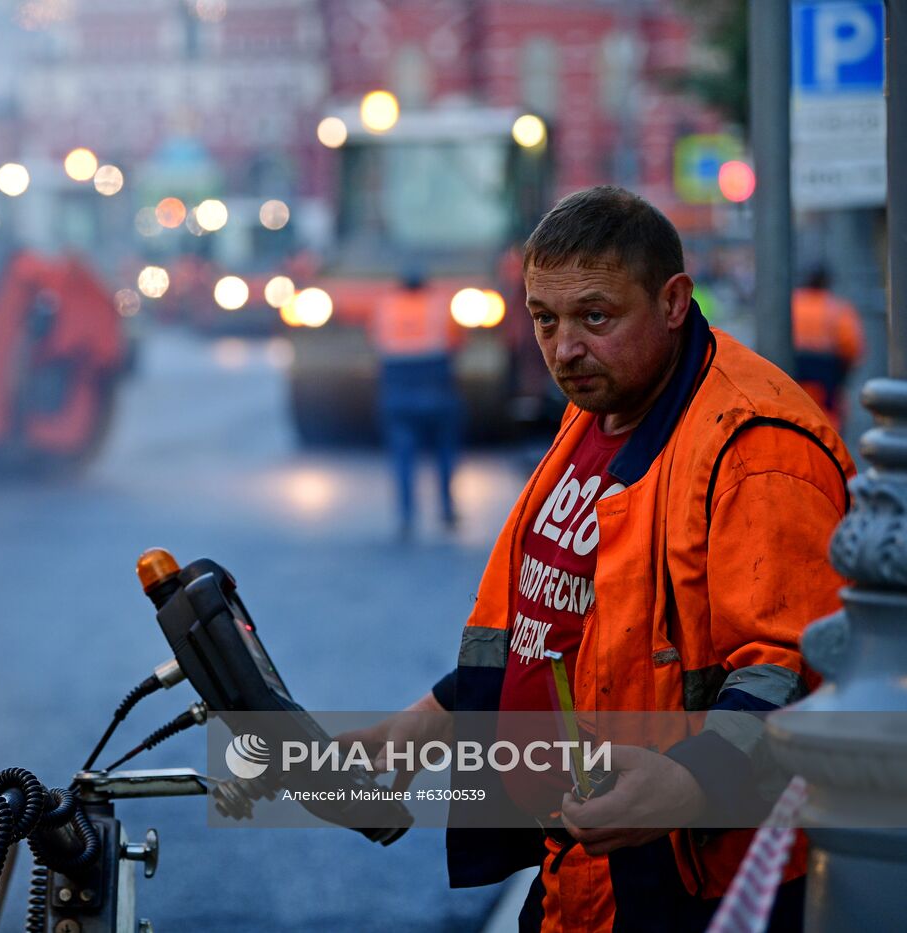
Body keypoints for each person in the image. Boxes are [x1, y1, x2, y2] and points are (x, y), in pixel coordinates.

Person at [356, 187, 854, 930]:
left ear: (674, 301)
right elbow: (551, 618)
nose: (563, 348)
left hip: (698, 882)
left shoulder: (756, 447)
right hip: (584, 866)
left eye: (596, 315)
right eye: (545, 318)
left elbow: (789, 670)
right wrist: (422, 724)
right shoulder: (596, 406)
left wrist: (689, 784)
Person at [371, 272, 463, 538]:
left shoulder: (386, 306)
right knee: (445, 452)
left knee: (403, 456)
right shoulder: (439, 304)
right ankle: (446, 509)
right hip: (436, 387)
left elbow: (375, 341)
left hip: (397, 389)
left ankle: (406, 516)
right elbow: (456, 341)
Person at [791, 266, 864, 430]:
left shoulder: (792, 302)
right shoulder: (836, 307)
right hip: (826, 372)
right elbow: (851, 345)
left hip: (793, 368)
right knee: (828, 416)